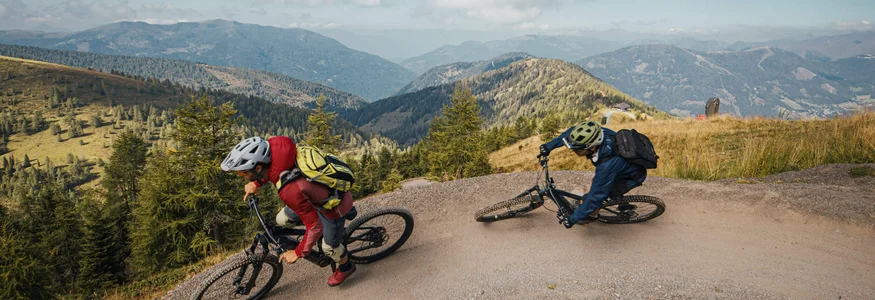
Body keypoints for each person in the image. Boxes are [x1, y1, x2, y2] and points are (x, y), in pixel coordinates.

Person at [220, 136, 357, 286]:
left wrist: (298, 252)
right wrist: (257, 182)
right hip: (314, 197)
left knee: (329, 247)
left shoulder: (290, 191)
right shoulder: (279, 148)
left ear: (258, 168)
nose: (241, 176)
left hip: (333, 207)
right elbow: (278, 170)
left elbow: (315, 225)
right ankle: (316, 237)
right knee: (282, 220)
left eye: (242, 173)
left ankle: (346, 266)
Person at [539, 121, 646, 227]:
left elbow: (595, 196)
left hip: (631, 177)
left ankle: (591, 216)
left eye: (579, 150)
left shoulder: (606, 165)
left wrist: (572, 219)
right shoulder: (598, 133)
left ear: (592, 147)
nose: (574, 151)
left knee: (594, 198)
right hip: (622, 167)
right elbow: (573, 133)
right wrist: (548, 147)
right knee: (601, 188)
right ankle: (620, 201)